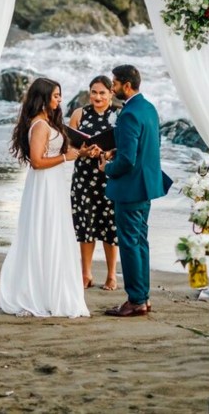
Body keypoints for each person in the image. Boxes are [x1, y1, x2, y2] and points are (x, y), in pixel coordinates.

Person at [0, 77, 90, 318]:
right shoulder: (39, 125)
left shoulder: (49, 121)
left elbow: (59, 152)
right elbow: (37, 162)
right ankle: (36, 293)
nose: (60, 100)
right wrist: (65, 158)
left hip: (55, 183)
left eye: (60, 95)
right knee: (45, 232)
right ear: (43, 98)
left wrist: (80, 153)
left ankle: (50, 290)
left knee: (55, 232)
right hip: (44, 186)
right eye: (56, 96)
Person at [99, 64, 170, 317]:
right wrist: (119, 152)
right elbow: (147, 147)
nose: (112, 87)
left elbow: (128, 161)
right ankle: (144, 296)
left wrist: (108, 167)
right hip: (147, 185)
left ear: (126, 85)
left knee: (129, 243)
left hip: (129, 188)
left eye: (114, 83)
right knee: (140, 241)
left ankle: (136, 300)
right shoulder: (149, 108)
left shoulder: (128, 114)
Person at [69, 75, 119, 291]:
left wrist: (108, 153)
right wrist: (83, 152)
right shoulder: (79, 114)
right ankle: (86, 273)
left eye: (102, 93)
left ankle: (111, 275)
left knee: (110, 227)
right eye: (94, 92)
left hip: (109, 175)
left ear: (111, 94)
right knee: (85, 224)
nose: (97, 97)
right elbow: (68, 147)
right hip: (84, 177)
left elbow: (125, 148)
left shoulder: (119, 115)